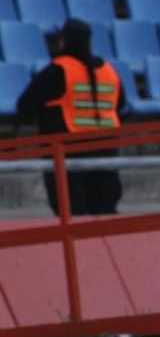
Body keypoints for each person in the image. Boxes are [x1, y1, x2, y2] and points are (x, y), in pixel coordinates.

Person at [16, 18, 124, 216]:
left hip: (68, 156)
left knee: (73, 219)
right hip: (106, 155)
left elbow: (25, 106)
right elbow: (121, 105)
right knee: (105, 217)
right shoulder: (109, 71)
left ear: (64, 41)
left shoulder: (57, 70)